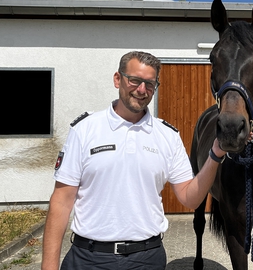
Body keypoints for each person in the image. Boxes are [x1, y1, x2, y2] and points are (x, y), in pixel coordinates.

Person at [41, 51, 226, 270]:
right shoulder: (85, 129)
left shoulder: (167, 136)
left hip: (146, 259)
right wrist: (49, 266)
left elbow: (190, 198)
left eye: (149, 83)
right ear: (117, 79)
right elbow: (61, 201)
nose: (141, 90)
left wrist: (215, 154)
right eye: (135, 80)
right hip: (89, 259)